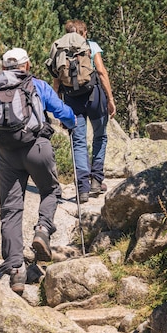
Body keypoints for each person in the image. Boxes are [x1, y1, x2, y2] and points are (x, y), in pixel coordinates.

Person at [0, 47, 76, 295]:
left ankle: (15, 271)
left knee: (11, 210)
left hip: (6, 154)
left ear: (4, 68)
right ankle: (43, 230)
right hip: (37, 148)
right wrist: (71, 122)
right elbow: (63, 113)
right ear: (27, 65)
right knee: (51, 190)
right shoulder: (38, 85)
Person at [52, 20, 116, 203]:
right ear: (84, 33)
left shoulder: (59, 50)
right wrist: (110, 99)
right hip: (94, 96)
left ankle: (83, 188)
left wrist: (60, 111)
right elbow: (102, 72)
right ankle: (96, 179)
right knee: (100, 136)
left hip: (72, 100)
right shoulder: (91, 46)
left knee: (78, 141)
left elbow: (56, 85)